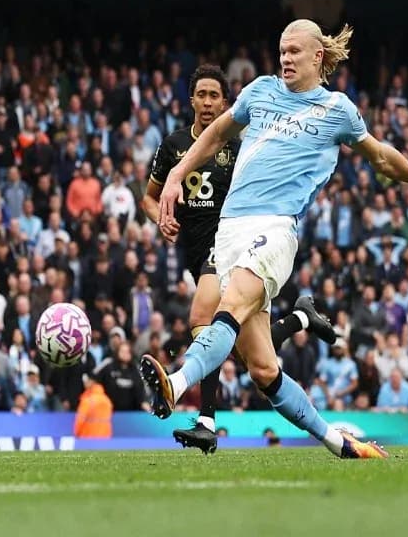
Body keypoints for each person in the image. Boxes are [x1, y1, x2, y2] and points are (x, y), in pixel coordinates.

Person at [141, 21, 408, 460]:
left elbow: (380, 155)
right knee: (263, 370)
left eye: (293, 52)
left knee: (222, 309)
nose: (285, 59)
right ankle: (340, 443)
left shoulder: (337, 110)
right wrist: (175, 175)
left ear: (317, 57)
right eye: (281, 51)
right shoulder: (260, 90)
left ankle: (176, 383)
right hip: (228, 230)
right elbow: (213, 135)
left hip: (274, 228)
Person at [142, 64, 336, 455]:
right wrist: (160, 218)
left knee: (203, 317)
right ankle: (300, 318)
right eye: (202, 95)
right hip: (195, 248)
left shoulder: (239, 141)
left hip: (232, 241)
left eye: (216, 95)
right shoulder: (174, 145)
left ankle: (206, 419)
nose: (209, 102)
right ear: (191, 99)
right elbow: (149, 195)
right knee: (248, 354)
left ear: (226, 101)